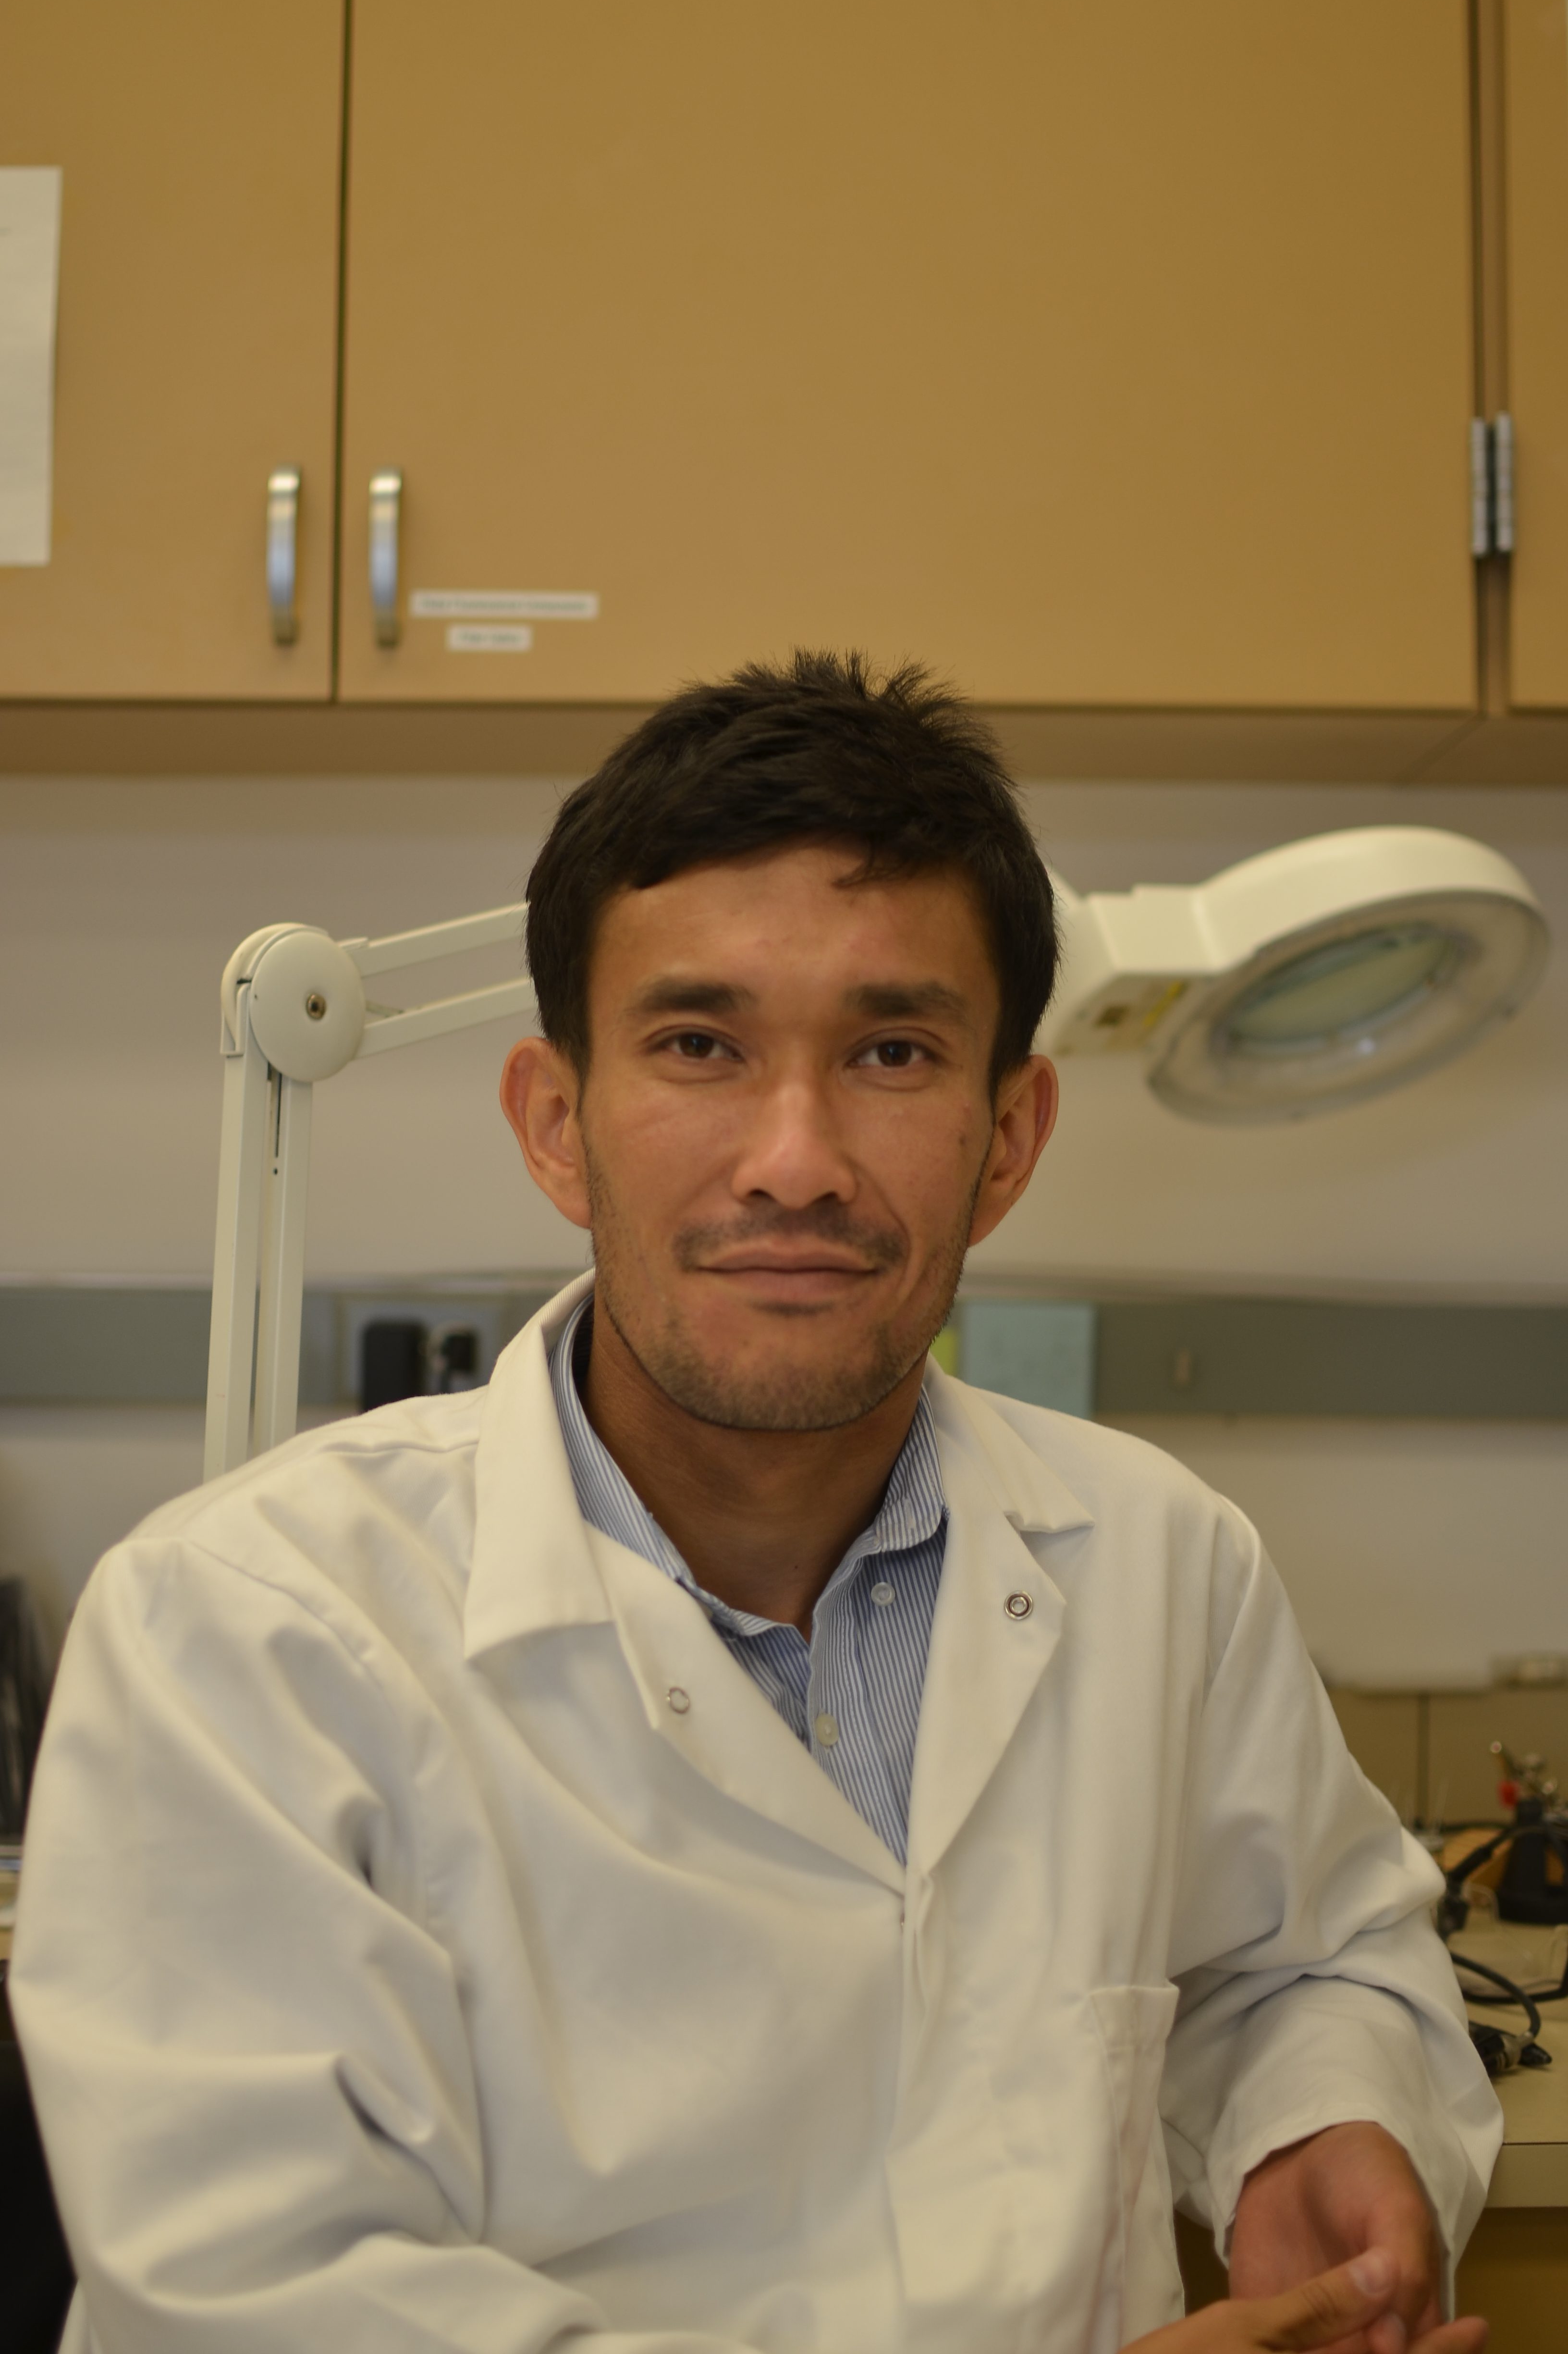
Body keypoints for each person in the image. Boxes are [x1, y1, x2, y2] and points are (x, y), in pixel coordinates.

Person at [12, 653, 1498, 2354]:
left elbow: (1309, 1959)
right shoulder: (243, 1630)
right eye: (701, 1045)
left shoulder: (1165, 1561)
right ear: (556, 1123)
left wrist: (1320, 2121)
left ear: (1010, 1138)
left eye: (891, 1050)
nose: (794, 1158)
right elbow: (264, 2309)